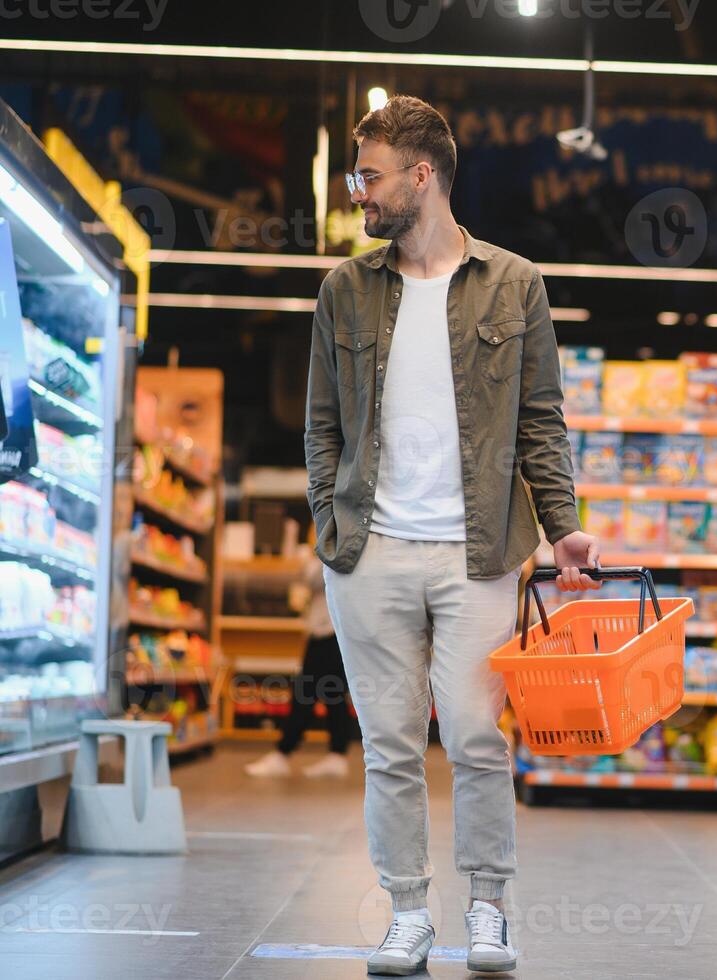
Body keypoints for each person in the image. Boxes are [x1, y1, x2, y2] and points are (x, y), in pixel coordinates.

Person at [304, 94, 600, 977]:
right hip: (369, 554)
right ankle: (406, 914)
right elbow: (322, 425)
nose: (361, 193)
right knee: (390, 746)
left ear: (421, 175)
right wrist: (330, 520)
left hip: (479, 555)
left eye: (370, 175)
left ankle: (487, 909)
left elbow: (541, 423)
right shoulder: (344, 290)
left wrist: (564, 528)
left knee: (476, 737)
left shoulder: (515, 284)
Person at [244, 552, 357, 778]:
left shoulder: (335, 543)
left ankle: (284, 752)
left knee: (306, 692)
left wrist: (312, 557)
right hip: (329, 628)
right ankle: (336, 754)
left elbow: (316, 577)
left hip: (329, 630)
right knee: (333, 693)